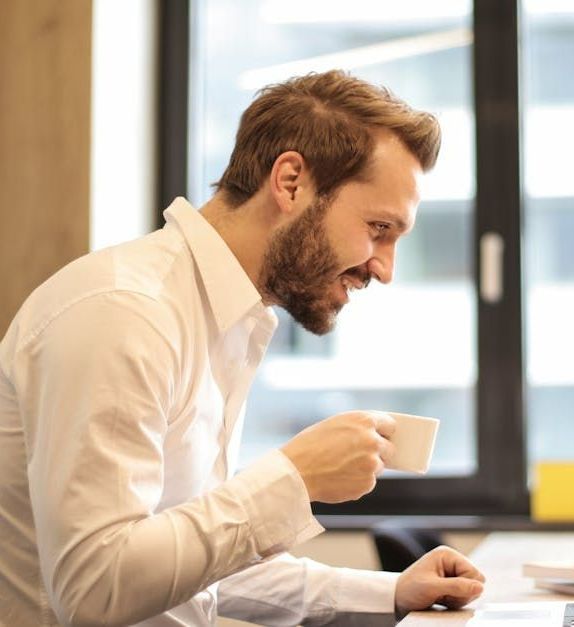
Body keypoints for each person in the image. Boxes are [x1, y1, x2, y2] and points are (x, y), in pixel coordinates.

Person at [0, 70, 485, 626]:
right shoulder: (125, 313)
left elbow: (189, 569)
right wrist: (292, 478)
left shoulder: (227, 320)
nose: (385, 268)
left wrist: (391, 593)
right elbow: (95, 589)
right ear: (291, 182)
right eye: (378, 228)